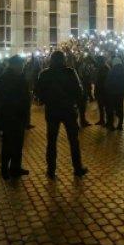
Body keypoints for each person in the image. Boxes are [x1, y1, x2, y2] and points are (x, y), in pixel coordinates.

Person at [35, 50, 88, 178]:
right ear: (63, 59)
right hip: (68, 110)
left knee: (51, 141)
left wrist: (46, 99)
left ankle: (51, 170)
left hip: (52, 110)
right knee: (73, 141)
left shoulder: (44, 73)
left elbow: (38, 93)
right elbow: (79, 91)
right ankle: (77, 167)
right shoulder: (70, 72)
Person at [0, 56, 31, 179]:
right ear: (13, 65)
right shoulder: (6, 78)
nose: (22, 66)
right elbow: (6, 97)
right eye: (20, 64)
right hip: (10, 115)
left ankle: (15, 167)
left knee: (18, 143)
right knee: (8, 144)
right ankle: (4, 169)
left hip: (18, 115)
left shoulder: (18, 76)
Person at [104, 58, 124, 130]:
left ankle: (111, 125)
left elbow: (107, 83)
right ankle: (120, 125)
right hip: (120, 94)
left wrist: (108, 90)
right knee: (120, 109)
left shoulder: (111, 71)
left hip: (112, 93)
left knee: (111, 109)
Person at [93, 56, 110, 126]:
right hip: (100, 90)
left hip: (103, 91)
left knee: (106, 107)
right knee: (101, 107)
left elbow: (103, 80)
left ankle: (107, 121)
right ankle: (102, 120)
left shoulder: (105, 68)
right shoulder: (102, 68)